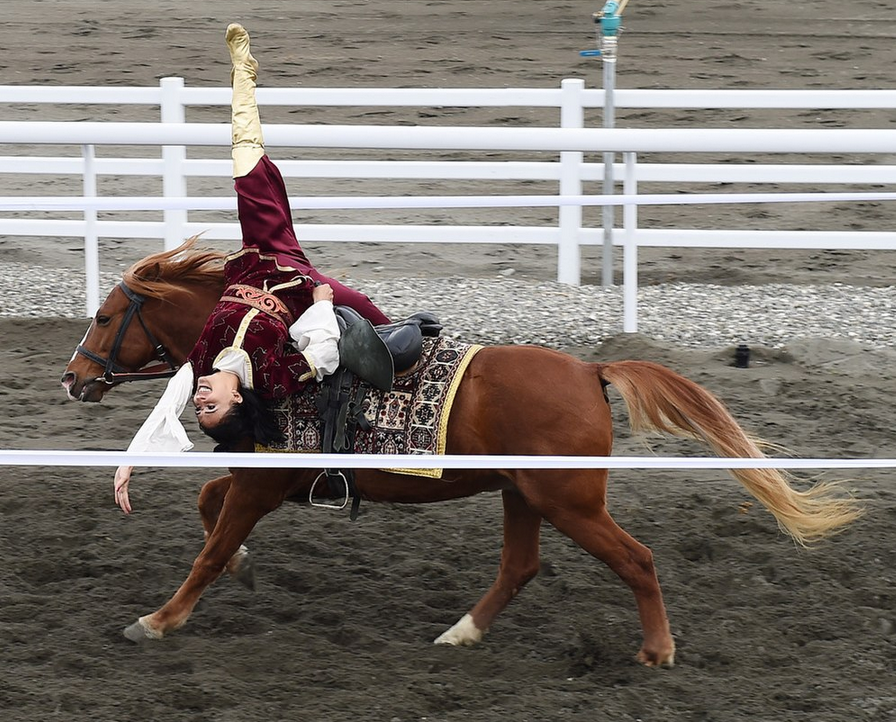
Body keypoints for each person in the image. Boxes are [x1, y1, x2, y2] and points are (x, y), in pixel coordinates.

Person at [113, 24, 390, 513]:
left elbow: (168, 402)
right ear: (237, 401)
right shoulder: (270, 376)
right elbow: (321, 354)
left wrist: (130, 459)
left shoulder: (202, 363)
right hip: (302, 287)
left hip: (257, 254)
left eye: (200, 407)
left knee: (244, 162)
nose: (200, 399)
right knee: (375, 319)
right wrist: (324, 306)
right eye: (210, 407)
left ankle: (243, 75)